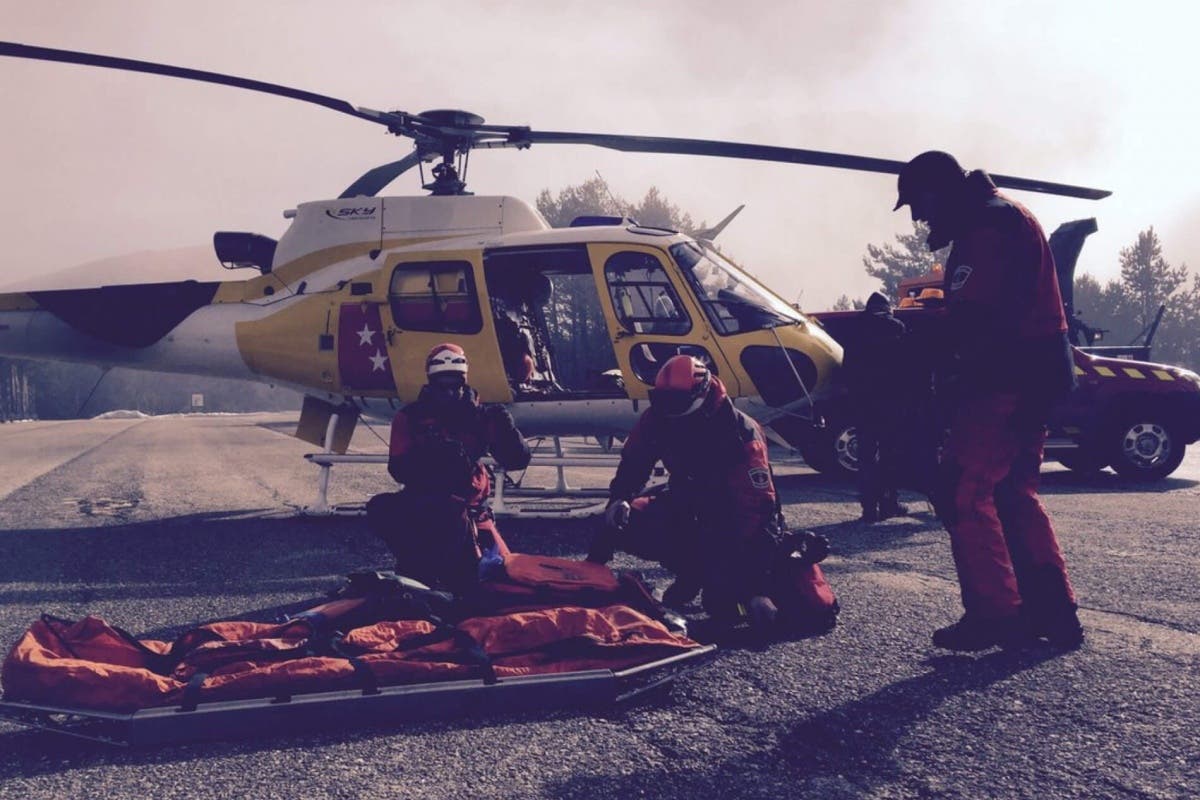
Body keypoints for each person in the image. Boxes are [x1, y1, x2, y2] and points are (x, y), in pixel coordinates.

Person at [893, 150, 1082, 650]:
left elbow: (975, 319)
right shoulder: (1008, 216)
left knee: (962, 488)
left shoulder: (985, 228)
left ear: (940, 191)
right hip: (1036, 378)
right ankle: (1053, 611)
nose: (919, 217)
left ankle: (997, 615)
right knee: (1012, 491)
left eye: (919, 204)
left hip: (1005, 380)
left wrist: (916, 341)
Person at [586, 355, 827, 633]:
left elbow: (760, 512)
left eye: (676, 404)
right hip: (684, 504)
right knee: (620, 520)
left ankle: (715, 579)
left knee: (726, 609)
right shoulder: (659, 415)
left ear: (700, 394)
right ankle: (592, 578)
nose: (669, 411)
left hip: (730, 521)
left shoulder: (740, 432)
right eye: (661, 401)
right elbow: (634, 461)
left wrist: (758, 588)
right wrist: (621, 498)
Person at [366, 343, 531, 595]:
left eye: (455, 384)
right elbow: (398, 469)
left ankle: (440, 573)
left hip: (467, 510)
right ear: (431, 382)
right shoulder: (410, 418)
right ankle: (417, 568)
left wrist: (508, 433)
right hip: (423, 502)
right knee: (381, 508)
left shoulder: (481, 416)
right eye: (442, 385)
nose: (449, 392)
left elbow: (517, 460)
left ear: (464, 381)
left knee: (484, 586)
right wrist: (432, 458)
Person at [842, 291, 911, 522]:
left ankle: (869, 508)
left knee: (866, 456)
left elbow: (847, 370)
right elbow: (907, 368)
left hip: (864, 405)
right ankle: (889, 503)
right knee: (891, 454)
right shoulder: (897, 328)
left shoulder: (854, 332)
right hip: (891, 403)